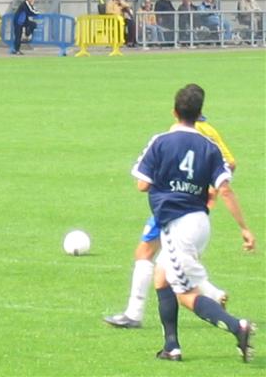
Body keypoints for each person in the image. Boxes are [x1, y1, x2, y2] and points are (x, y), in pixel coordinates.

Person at [132, 84, 255, 362]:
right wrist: (244, 229)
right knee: (161, 277)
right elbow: (224, 188)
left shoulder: (160, 141)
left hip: (178, 227)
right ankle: (171, 346)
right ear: (200, 115)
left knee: (185, 294)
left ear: (174, 112)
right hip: (200, 222)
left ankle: (238, 327)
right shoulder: (209, 147)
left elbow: (142, 184)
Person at [105, 86, 238, 329]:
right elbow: (230, 163)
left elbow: (144, 183)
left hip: (172, 207)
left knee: (148, 255)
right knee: (167, 265)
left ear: (175, 111)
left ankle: (135, 314)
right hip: (194, 211)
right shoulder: (208, 133)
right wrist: (210, 188)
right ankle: (210, 297)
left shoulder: (172, 135)